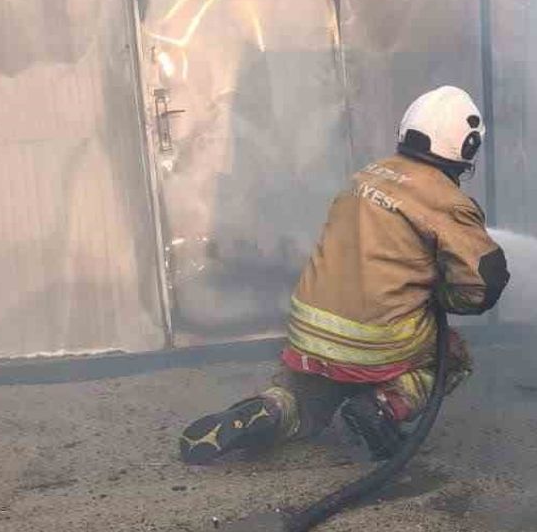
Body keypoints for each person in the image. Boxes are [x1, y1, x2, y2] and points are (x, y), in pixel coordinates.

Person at [180, 85, 510, 463]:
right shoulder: (448, 202)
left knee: (312, 403)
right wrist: (441, 296)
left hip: (309, 330)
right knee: (452, 356)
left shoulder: (366, 176)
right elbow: (482, 287)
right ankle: (383, 405)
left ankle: (273, 409)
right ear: (466, 147)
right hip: (375, 337)